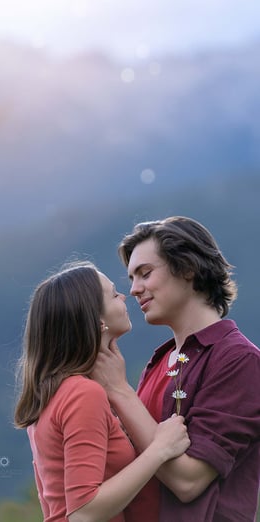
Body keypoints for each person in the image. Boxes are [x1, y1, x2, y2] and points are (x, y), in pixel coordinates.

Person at [92, 216, 260, 522]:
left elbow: (189, 482)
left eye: (145, 274)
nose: (134, 290)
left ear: (187, 269)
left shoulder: (239, 359)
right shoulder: (161, 360)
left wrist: (119, 391)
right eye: (131, 279)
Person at [14, 261, 190, 522]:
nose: (125, 295)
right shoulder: (82, 394)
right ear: (97, 320)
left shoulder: (54, 394)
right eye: (113, 293)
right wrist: (160, 449)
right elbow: (83, 512)